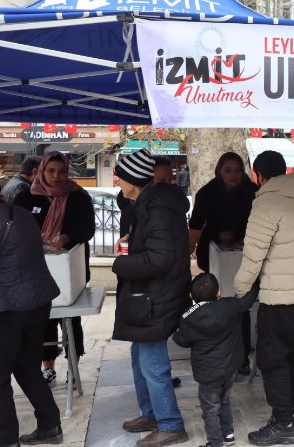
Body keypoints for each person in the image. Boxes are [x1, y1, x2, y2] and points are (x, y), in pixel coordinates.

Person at [233, 151, 294, 446]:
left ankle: (283, 421)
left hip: (280, 299)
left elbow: (253, 256)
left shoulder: (266, 203)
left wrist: (239, 289)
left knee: (272, 360)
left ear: (258, 175)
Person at [112, 149, 191, 446]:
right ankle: (152, 413)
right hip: (150, 295)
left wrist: (121, 263)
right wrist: (135, 243)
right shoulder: (148, 203)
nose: (117, 179)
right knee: (139, 356)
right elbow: (158, 244)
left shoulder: (158, 208)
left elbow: (160, 258)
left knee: (153, 363)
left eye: (121, 174)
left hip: (157, 297)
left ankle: (171, 424)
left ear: (134, 179)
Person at [0, 178, 64, 446]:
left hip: (5, 308)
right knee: (26, 367)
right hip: (37, 302)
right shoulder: (20, 214)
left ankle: (6, 440)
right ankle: (50, 426)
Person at [13, 152, 95, 386]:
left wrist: (67, 237)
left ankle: (73, 367)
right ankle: (48, 368)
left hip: (70, 269)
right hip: (35, 270)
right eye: (51, 171)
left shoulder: (79, 197)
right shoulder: (25, 198)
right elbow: (15, 230)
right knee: (42, 320)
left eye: (61, 171)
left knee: (71, 318)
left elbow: (88, 229)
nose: (56, 176)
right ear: (41, 171)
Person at [188, 152, 259, 376]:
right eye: (228, 170)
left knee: (241, 305)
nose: (234, 175)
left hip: (244, 254)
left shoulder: (252, 192)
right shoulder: (207, 193)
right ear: (219, 170)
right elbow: (195, 226)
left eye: (238, 170)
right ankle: (218, 354)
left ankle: (242, 359)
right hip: (213, 254)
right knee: (217, 304)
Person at [171, 273, 259, 447]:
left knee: (210, 407)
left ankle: (215, 442)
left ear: (191, 296)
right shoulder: (230, 306)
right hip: (231, 368)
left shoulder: (189, 318)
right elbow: (247, 300)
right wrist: (256, 283)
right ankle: (228, 435)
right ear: (218, 293)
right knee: (224, 400)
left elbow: (180, 340)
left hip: (208, 374)